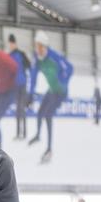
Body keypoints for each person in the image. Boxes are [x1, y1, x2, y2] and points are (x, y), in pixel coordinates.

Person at [28, 30, 73, 164]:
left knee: (47, 115)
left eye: (41, 46)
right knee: (40, 112)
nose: (39, 49)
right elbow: (33, 77)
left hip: (61, 92)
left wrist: (63, 80)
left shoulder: (55, 57)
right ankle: (37, 135)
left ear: (46, 47)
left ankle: (49, 149)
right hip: (51, 90)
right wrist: (30, 94)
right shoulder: (37, 59)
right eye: (37, 46)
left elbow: (70, 68)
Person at [6, 34, 32, 140]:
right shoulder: (8, 56)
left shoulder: (21, 54)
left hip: (23, 85)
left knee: (22, 108)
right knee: (17, 109)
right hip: (14, 86)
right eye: (9, 44)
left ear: (15, 44)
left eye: (12, 43)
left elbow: (29, 65)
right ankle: (18, 133)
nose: (11, 45)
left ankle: (24, 133)